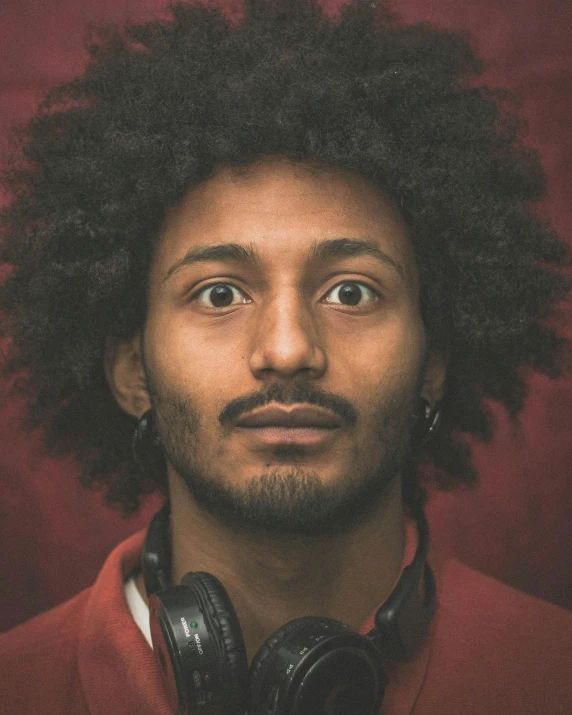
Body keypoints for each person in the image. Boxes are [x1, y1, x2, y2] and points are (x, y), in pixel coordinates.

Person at [0, 0, 571, 712]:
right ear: (131, 370)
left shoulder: (551, 675)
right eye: (217, 295)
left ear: (434, 363)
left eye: (353, 291)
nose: (289, 349)